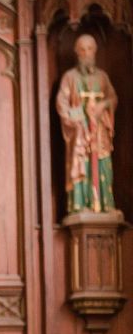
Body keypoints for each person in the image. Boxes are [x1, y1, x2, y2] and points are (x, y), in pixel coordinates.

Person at [56, 33, 117, 214]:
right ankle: (80, 206)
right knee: (81, 166)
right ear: (77, 52)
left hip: (100, 134)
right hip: (80, 135)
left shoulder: (102, 77)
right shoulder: (70, 77)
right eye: (82, 49)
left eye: (90, 49)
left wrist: (102, 106)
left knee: (103, 165)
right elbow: (61, 104)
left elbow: (113, 98)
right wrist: (81, 116)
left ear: (95, 52)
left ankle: (105, 205)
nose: (86, 53)